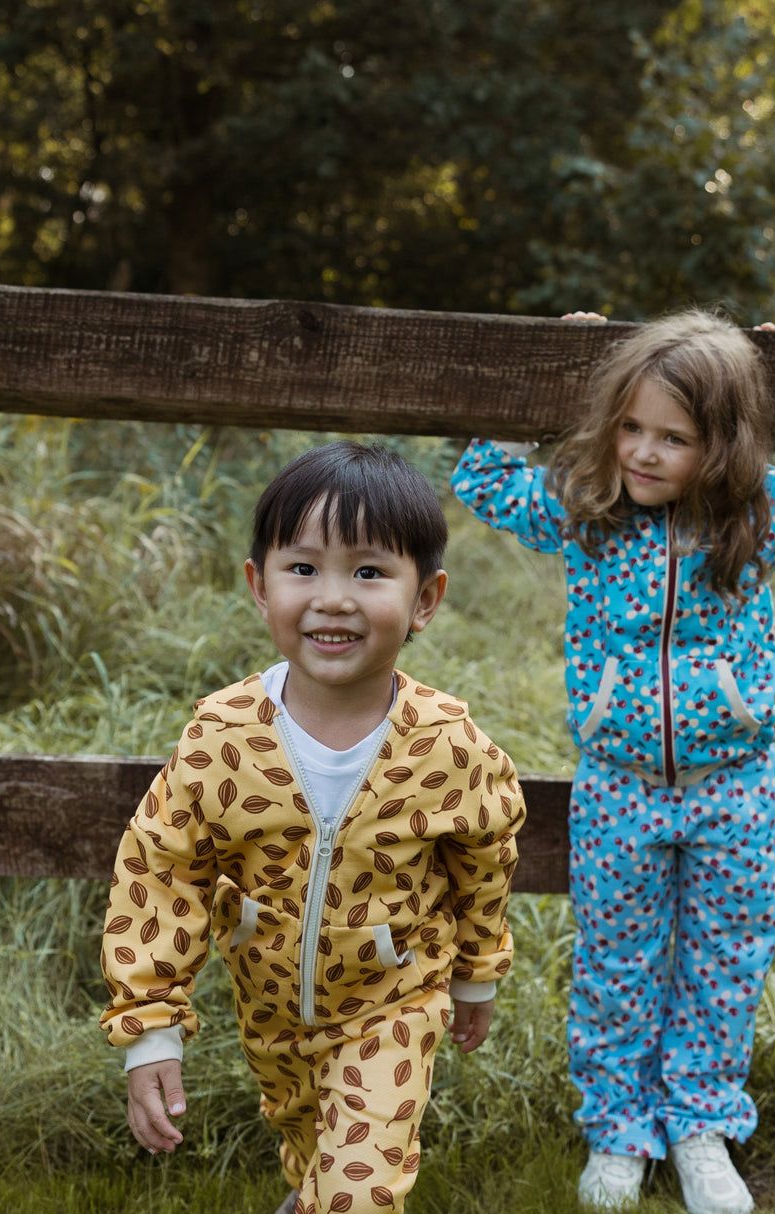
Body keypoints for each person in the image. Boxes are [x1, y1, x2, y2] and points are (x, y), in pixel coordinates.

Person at [450, 309, 775, 1214]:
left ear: (720, 446)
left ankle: (699, 1127)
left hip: (737, 792)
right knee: (615, 967)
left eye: (674, 438)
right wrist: (545, 366)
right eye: (631, 427)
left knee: (724, 966)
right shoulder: (586, 515)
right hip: (621, 792)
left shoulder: (756, 521)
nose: (644, 453)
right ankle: (617, 1131)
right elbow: (480, 476)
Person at [100, 440, 525, 1214]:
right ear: (260, 587)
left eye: (368, 572)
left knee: (360, 1186)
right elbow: (161, 873)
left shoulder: (447, 746)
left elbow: (486, 859)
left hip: (395, 997)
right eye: (303, 569)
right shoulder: (223, 738)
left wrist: (476, 972)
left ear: (424, 599)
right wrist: (149, 1032)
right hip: (270, 1010)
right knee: (312, 1148)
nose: (333, 598)